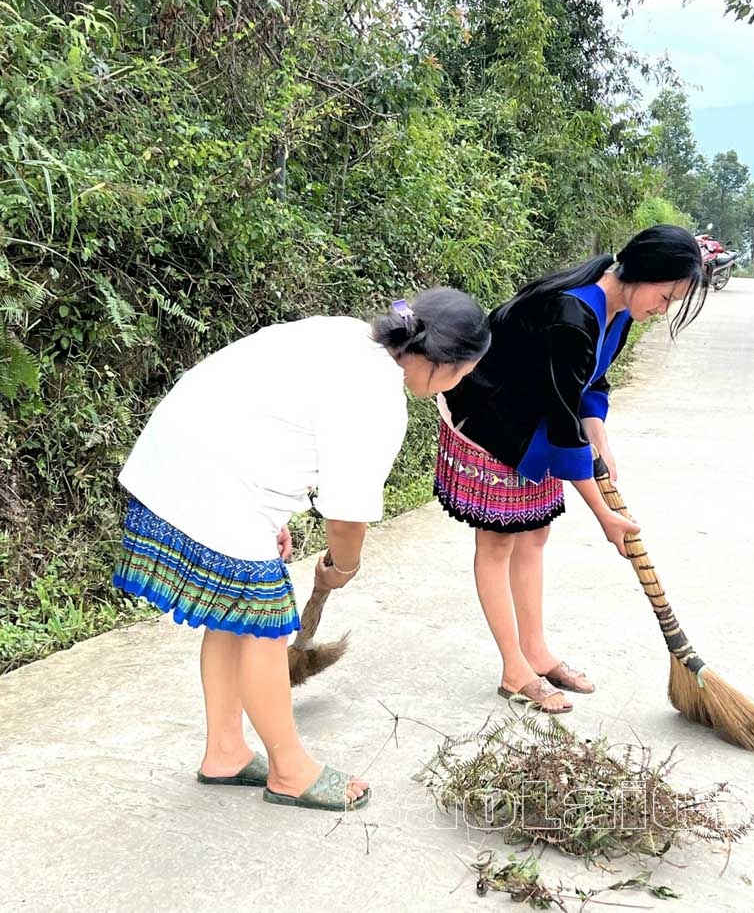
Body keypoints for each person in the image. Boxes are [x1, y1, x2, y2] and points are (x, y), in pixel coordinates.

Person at [113, 289, 490, 812]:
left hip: (181, 455)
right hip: (211, 480)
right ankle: (290, 769)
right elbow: (347, 511)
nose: (463, 382)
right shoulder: (378, 396)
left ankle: (224, 752)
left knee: (232, 618)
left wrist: (269, 517)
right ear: (444, 363)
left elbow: (274, 420)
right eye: (466, 372)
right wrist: (344, 566)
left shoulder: (345, 333)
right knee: (266, 628)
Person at [437, 225, 707, 714]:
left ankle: (536, 651)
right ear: (643, 273)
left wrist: (599, 435)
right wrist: (604, 513)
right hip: (493, 418)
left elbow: (590, 385)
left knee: (534, 535)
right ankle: (513, 668)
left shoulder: (619, 310)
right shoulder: (571, 314)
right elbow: (564, 429)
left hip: (535, 417)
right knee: (498, 541)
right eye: (665, 297)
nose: (662, 309)